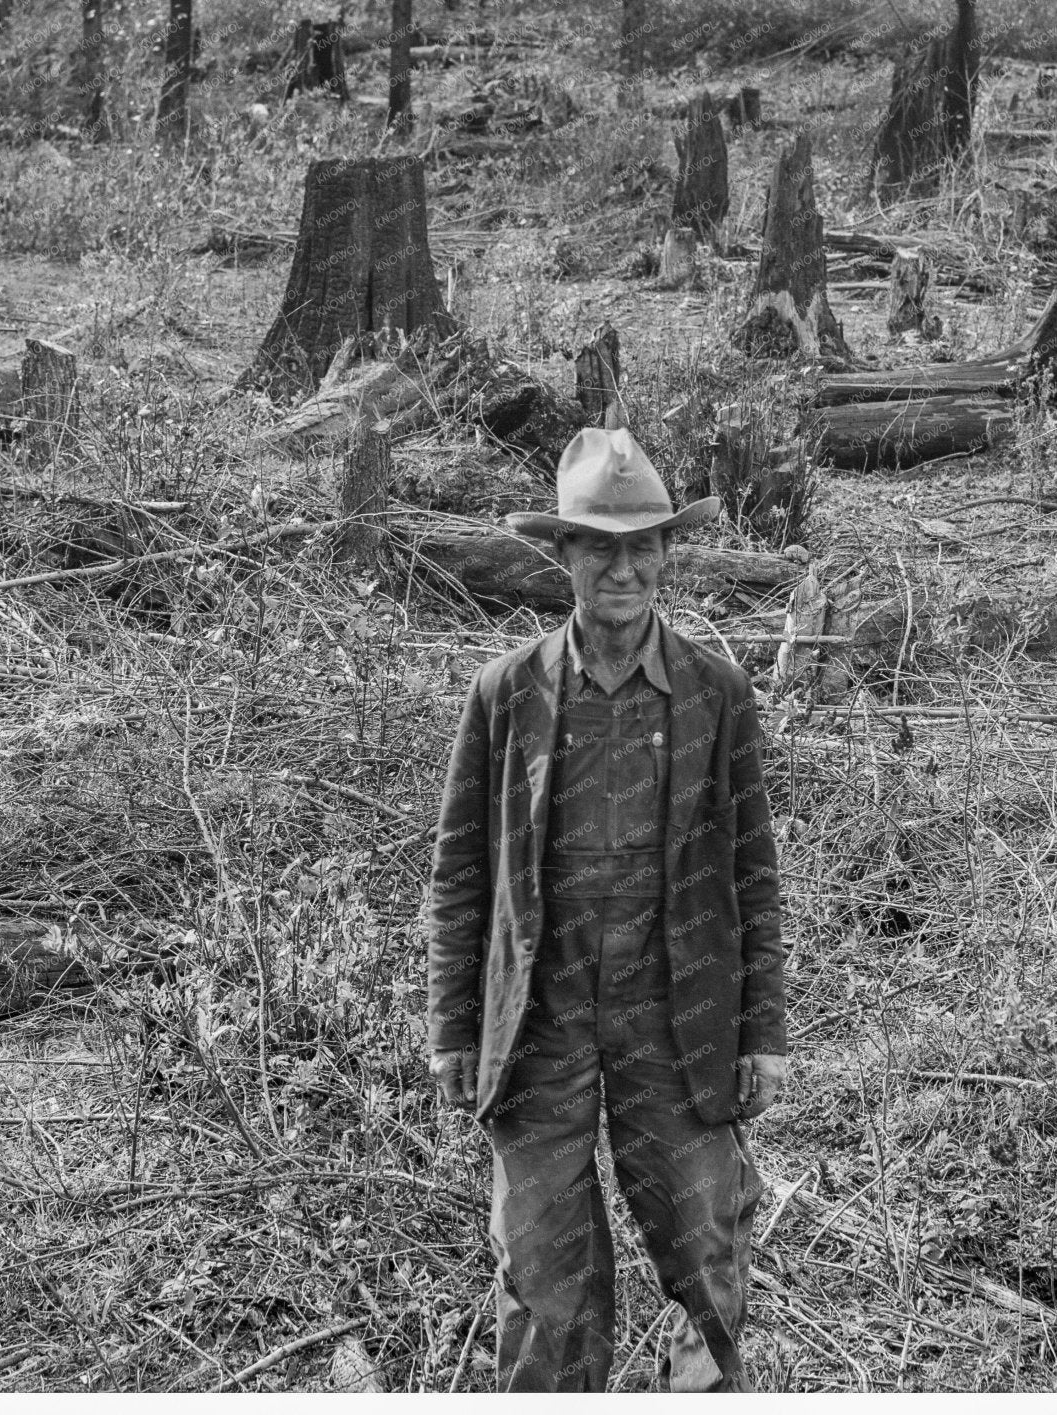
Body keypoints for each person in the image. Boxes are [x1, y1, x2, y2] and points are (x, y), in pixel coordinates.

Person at [425, 408, 789, 1392]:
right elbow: (460, 873)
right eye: (597, 547)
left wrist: (761, 1031)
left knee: (706, 1253)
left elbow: (753, 868)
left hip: (676, 1015)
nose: (619, 570)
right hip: (538, 1020)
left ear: (666, 553)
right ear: (563, 554)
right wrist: (452, 1029)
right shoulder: (505, 693)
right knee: (542, 1279)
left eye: (641, 548)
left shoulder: (715, 693)